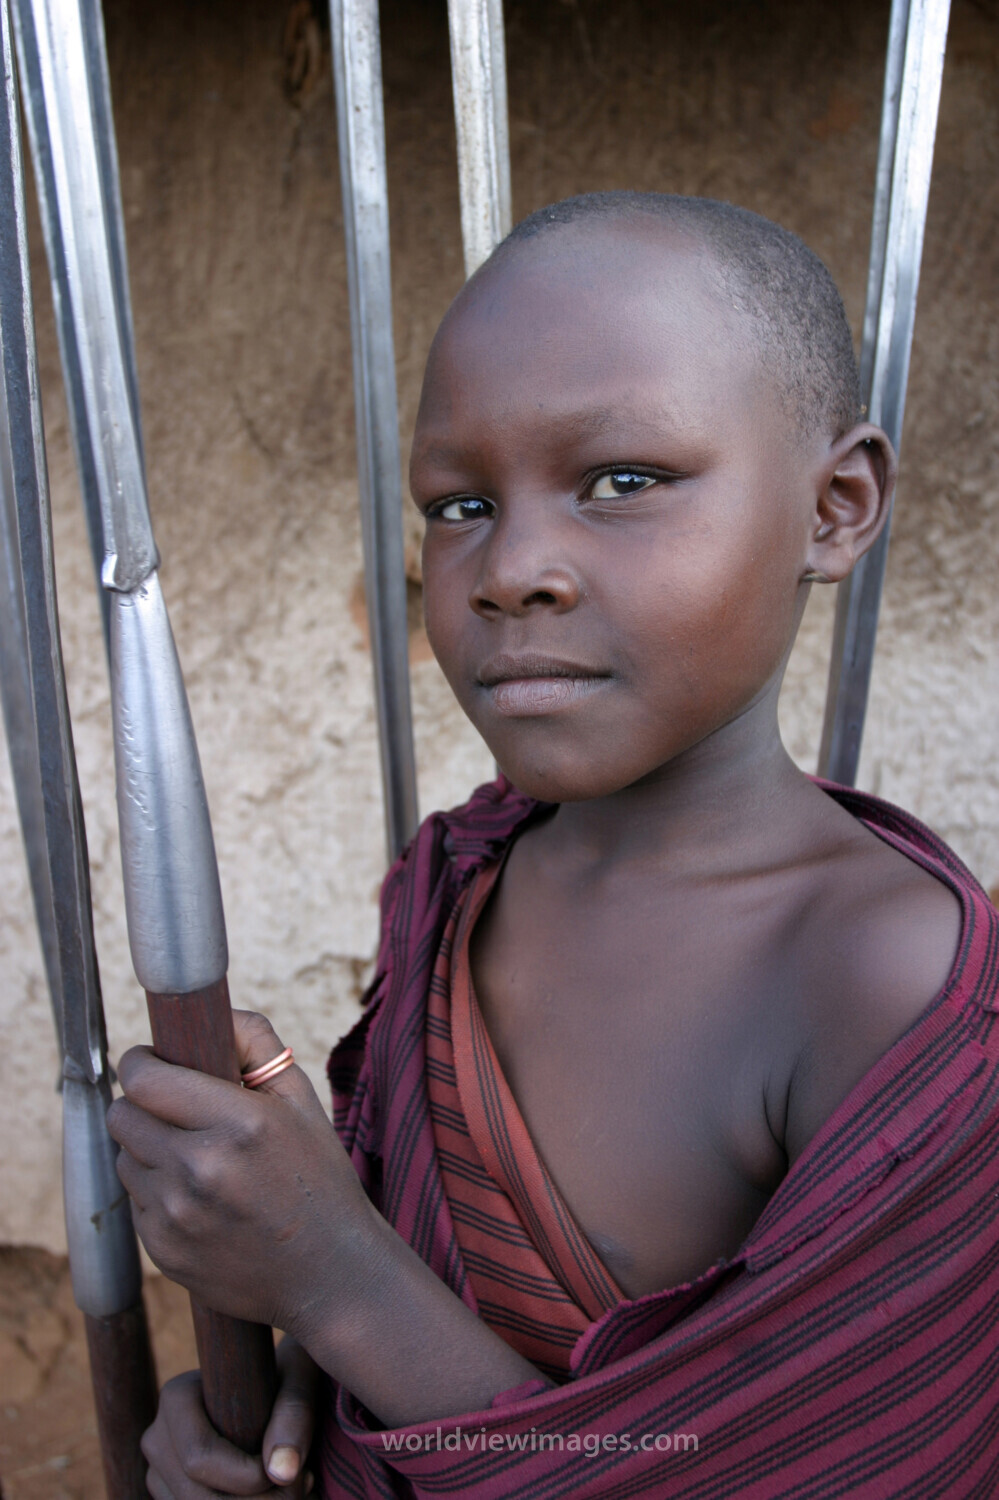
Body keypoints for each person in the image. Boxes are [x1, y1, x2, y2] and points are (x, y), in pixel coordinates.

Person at [107, 194, 999, 1498]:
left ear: (835, 506)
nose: (510, 567)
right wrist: (295, 1400)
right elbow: (418, 1299)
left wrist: (335, 1276)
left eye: (623, 481)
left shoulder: (888, 986)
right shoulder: (464, 876)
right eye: (459, 503)